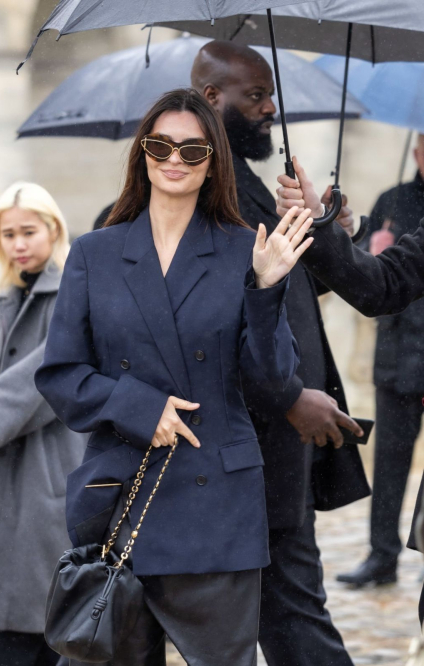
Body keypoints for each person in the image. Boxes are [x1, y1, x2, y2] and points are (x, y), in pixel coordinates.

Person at [35, 88, 313, 666]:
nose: (175, 160)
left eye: (193, 150)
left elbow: (274, 387)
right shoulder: (94, 253)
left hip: (217, 504)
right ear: (141, 153)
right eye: (161, 145)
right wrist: (141, 407)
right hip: (120, 502)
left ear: (214, 163)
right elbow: (60, 375)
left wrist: (265, 291)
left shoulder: (245, 251)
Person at [190, 40, 368, 666]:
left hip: (280, 447)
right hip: (256, 440)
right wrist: (291, 397)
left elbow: (282, 288)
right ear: (212, 98)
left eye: (270, 95)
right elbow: (219, 321)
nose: (270, 108)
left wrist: (329, 234)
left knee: (290, 606)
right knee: (290, 612)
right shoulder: (211, 190)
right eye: (255, 95)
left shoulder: (248, 183)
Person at [0, 183, 88, 666]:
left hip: (45, 469)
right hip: (8, 476)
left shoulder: (70, 289)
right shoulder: (12, 296)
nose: (18, 244)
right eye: (8, 234)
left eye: (28, 231)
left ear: (54, 229)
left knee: (34, 623)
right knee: (12, 626)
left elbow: (57, 365)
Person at [334, 134, 424, 587]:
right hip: (397, 359)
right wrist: (364, 236)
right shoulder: (393, 199)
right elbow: (372, 271)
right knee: (389, 464)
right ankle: (381, 556)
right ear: (416, 151)